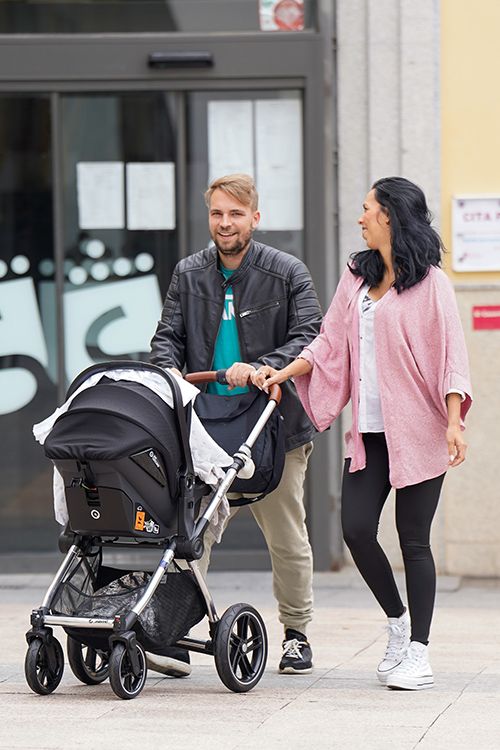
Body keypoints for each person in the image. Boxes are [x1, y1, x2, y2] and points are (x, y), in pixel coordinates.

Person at [254, 176, 472, 691]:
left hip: (419, 429)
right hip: (370, 434)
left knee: (414, 541)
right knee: (355, 529)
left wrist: (455, 420)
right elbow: (328, 342)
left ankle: (419, 650)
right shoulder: (356, 276)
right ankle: (397, 622)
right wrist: (282, 374)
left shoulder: (432, 283)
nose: (360, 218)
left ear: (391, 216)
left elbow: (451, 356)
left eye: (367, 210)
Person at [148, 173, 323, 676]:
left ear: (255, 218)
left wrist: (266, 366)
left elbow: (310, 336)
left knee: (286, 534)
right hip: (204, 425)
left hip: (272, 423)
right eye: (217, 214)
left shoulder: (287, 272)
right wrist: (167, 378)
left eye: (236, 214)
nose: (225, 224)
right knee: (190, 532)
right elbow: (168, 338)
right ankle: (171, 633)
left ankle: (296, 632)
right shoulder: (189, 272)